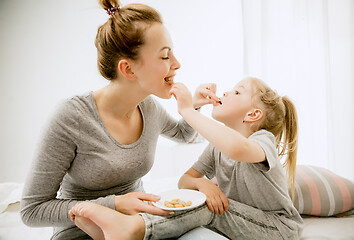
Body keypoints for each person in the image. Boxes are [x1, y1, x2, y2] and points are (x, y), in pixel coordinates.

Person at [20, 1, 220, 239]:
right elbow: (32, 210)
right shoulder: (71, 117)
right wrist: (115, 204)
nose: (177, 64)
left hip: (140, 224)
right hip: (81, 232)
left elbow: (182, 134)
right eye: (165, 56)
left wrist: (194, 106)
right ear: (128, 69)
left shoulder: (148, 108)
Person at [68, 77, 304, 240]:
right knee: (195, 199)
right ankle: (127, 228)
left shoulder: (263, 141)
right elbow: (185, 180)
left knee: (208, 209)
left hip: (277, 230)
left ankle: (133, 228)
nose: (225, 93)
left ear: (253, 114)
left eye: (236, 92)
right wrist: (202, 184)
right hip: (241, 223)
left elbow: (238, 149)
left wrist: (188, 110)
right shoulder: (216, 148)